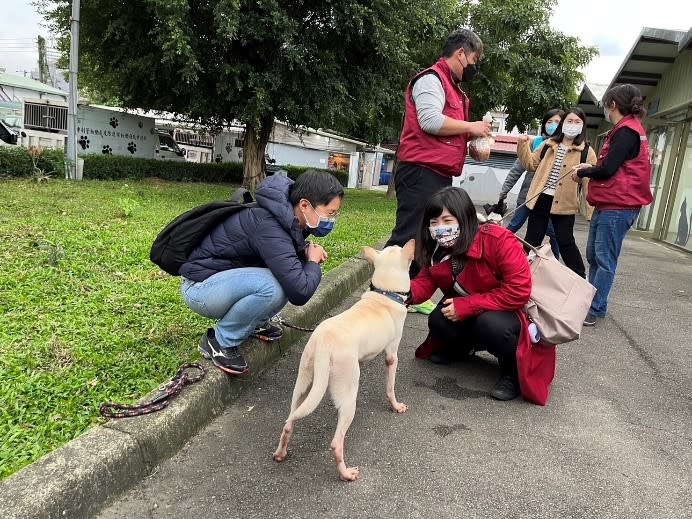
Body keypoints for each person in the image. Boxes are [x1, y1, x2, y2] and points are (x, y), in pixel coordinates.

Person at [179, 170, 344, 375]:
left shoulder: (286, 217)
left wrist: (302, 253)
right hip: (200, 289)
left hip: (221, 281)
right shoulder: (270, 224)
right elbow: (300, 292)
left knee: (288, 274)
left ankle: (253, 323)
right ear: (304, 205)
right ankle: (219, 340)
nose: (332, 220)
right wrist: (312, 262)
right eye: (330, 213)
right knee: (275, 287)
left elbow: (281, 258)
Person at [407, 186, 556, 404]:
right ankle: (462, 350)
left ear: (465, 218)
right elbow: (423, 284)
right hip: (474, 308)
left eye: (448, 221)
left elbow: (519, 292)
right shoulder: (435, 249)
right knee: (438, 320)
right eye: (434, 222)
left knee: (491, 324)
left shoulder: (499, 239)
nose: (440, 228)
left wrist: (468, 305)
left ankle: (512, 373)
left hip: (509, 313)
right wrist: (398, 291)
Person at [385, 28, 492, 278]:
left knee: (428, 235)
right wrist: (470, 127)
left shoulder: (454, 89)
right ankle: (381, 293)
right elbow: (430, 121)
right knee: (408, 235)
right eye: (475, 60)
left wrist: (470, 143)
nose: (474, 67)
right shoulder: (431, 79)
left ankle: (412, 291)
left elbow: (445, 131)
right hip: (420, 172)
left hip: (438, 174)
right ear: (462, 54)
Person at [571, 84, 653, 326]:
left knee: (604, 258)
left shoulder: (627, 132)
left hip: (619, 206)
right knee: (594, 255)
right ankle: (594, 302)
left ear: (612, 104)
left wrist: (586, 170)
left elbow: (608, 168)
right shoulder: (625, 129)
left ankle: (594, 308)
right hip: (610, 203)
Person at [517, 107, 597, 278]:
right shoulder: (549, 144)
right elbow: (530, 164)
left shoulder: (586, 151)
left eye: (577, 122)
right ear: (563, 123)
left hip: (565, 203)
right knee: (532, 239)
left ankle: (579, 277)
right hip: (541, 199)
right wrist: (522, 145)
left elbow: (589, 183)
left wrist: (591, 212)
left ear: (583, 126)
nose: (573, 125)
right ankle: (519, 275)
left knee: (565, 241)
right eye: (569, 121)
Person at [497, 109, 565, 259]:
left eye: (557, 122)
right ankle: (497, 251)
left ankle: (553, 265)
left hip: (549, 202)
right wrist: (504, 191)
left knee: (553, 234)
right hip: (528, 198)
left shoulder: (566, 147)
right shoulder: (536, 143)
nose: (553, 125)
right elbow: (517, 168)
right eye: (549, 122)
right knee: (513, 227)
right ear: (543, 124)